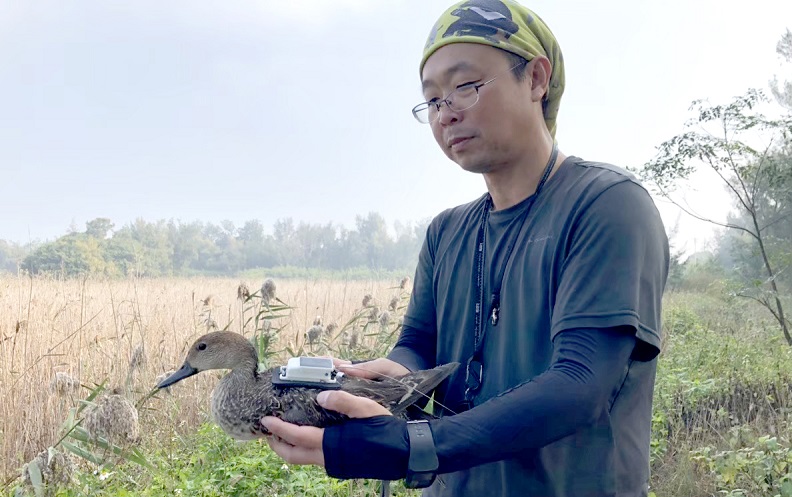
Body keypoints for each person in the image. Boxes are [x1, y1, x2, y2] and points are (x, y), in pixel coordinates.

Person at [261, 1, 670, 495]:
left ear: (537, 79)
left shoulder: (606, 206)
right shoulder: (447, 232)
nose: (446, 112)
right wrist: (397, 378)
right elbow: (417, 342)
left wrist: (413, 444)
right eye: (432, 100)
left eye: (465, 86)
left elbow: (581, 384)